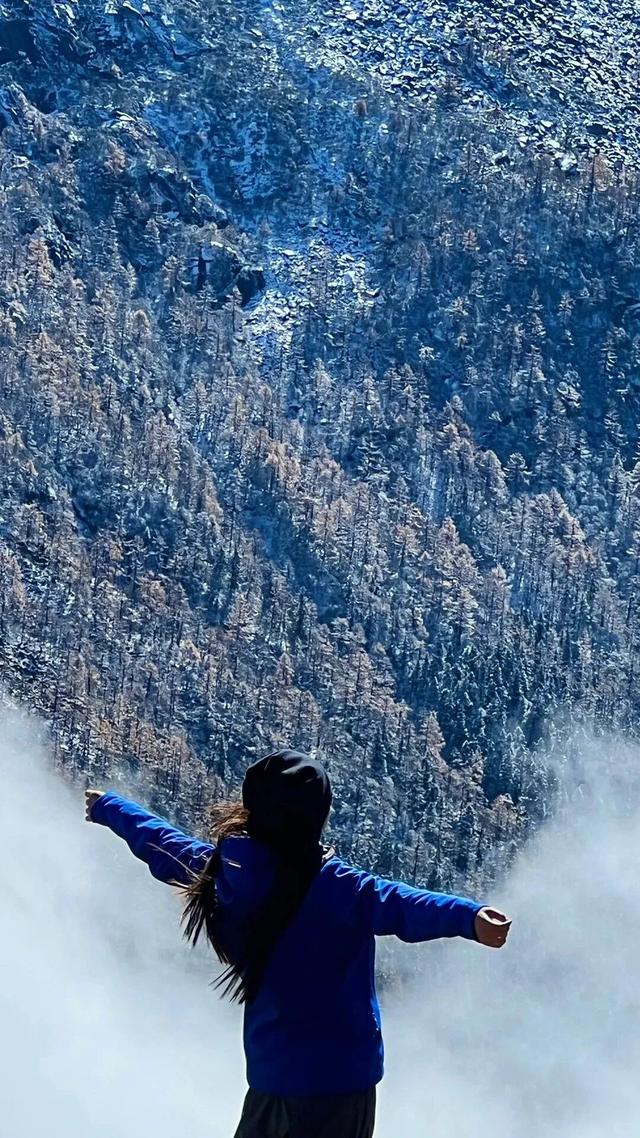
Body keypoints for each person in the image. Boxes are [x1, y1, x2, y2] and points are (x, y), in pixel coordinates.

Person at [85, 748, 511, 1138]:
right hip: (340, 1084)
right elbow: (400, 904)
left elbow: (164, 845)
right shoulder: (337, 887)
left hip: (272, 1080)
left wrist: (111, 807)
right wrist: (469, 917)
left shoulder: (226, 868)